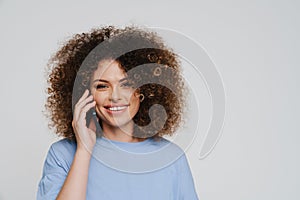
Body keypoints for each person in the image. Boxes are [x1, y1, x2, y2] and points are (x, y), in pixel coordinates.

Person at [37, 26, 199, 200]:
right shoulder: (63, 154)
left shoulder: (171, 158)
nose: (115, 96)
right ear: (85, 94)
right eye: (102, 86)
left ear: (145, 89)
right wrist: (84, 150)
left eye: (126, 84)